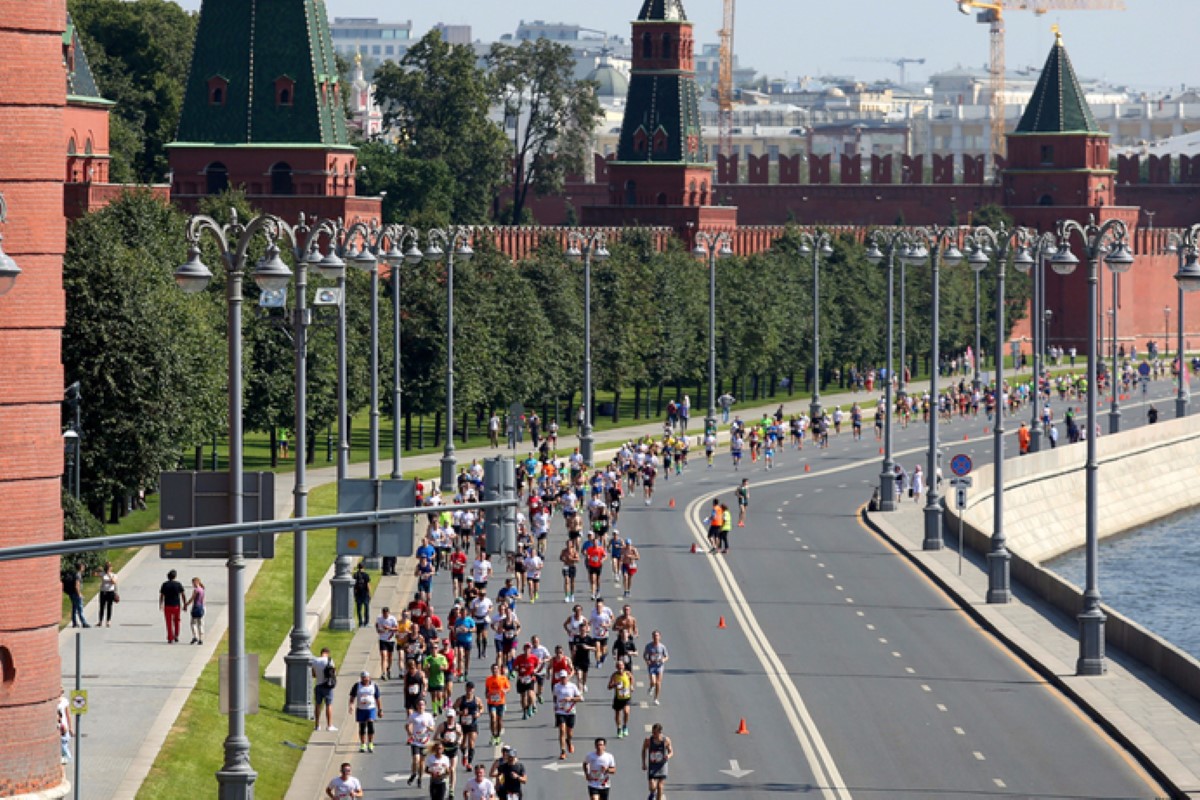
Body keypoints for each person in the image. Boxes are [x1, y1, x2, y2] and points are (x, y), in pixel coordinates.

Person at [407, 697, 437, 787]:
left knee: (422, 762)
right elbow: (408, 725)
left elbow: (433, 729)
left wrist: (427, 726)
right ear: (416, 706)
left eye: (422, 705)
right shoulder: (413, 715)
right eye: (419, 705)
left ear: (425, 706)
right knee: (416, 759)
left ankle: (420, 778)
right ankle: (413, 774)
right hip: (416, 741)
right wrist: (410, 734)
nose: (421, 706)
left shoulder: (428, 716)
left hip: (425, 742)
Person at [349, 671, 381, 753]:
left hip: (371, 708)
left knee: (370, 724)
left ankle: (370, 743)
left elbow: (377, 698)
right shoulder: (357, 686)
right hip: (361, 709)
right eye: (363, 678)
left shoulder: (373, 686)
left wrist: (380, 709)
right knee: (362, 727)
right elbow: (352, 697)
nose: (365, 679)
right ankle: (363, 744)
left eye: (366, 677)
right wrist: (351, 706)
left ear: (369, 678)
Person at [454, 681, 483, 771]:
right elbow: (453, 709)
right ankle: (465, 754)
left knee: (471, 743)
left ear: (473, 690)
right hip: (463, 724)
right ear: (465, 689)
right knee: (462, 744)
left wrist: (479, 713)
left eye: (471, 688)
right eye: (468, 688)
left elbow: (481, 707)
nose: (469, 690)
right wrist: (461, 713)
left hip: (472, 724)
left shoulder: (476, 699)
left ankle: (469, 763)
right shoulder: (460, 699)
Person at [553, 672, 582, 759]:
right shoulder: (556, 686)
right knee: (562, 730)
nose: (563, 679)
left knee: (569, 732)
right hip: (560, 711)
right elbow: (555, 697)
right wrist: (555, 705)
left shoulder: (572, 686)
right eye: (561, 677)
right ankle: (563, 751)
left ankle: (569, 741)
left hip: (570, 711)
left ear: (568, 678)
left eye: (564, 677)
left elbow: (580, 698)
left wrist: (571, 699)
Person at [642, 723, 674, 800]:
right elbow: (643, 750)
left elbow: (671, 752)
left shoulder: (666, 740)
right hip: (652, 766)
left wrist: (668, 756)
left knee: (660, 786)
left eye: (655, 733)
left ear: (660, 732)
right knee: (652, 787)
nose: (653, 734)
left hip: (662, 766)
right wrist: (644, 763)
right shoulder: (648, 740)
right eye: (652, 732)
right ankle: (653, 793)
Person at [311, 646, 339, 732]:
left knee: (318, 705)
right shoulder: (329, 661)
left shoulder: (315, 661)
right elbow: (333, 673)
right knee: (328, 705)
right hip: (327, 686)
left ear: (321, 653)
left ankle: (317, 725)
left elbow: (314, 675)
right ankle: (329, 725)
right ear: (328, 653)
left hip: (318, 685)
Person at [485, 663, 511, 747]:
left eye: (496, 669)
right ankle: (493, 735)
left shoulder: (503, 678)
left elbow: (508, 688)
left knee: (499, 720)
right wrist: (487, 694)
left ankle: (498, 736)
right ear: (491, 670)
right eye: (493, 669)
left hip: (501, 702)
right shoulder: (488, 679)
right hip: (491, 703)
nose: (494, 671)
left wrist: (505, 691)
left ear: (498, 670)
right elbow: (486, 691)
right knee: (493, 718)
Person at [607, 660, 633, 738]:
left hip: (627, 697)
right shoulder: (614, 675)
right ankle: (619, 728)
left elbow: (631, 679)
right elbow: (609, 686)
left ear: (624, 666)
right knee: (618, 714)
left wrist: (631, 686)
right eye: (618, 666)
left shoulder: (628, 674)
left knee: (626, 712)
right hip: (618, 698)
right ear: (616, 667)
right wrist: (614, 684)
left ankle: (625, 726)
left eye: (621, 665)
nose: (620, 667)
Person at [642, 630, 669, 705]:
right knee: (653, 682)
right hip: (652, 666)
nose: (655, 637)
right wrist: (647, 660)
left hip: (659, 666)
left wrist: (663, 660)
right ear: (652, 637)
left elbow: (666, 656)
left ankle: (656, 698)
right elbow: (644, 655)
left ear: (660, 637)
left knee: (658, 683)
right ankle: (651, 687)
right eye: (654, 636)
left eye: (657, 636)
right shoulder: (649, 646)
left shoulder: (662, 647)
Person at [159, 569, 185, 643]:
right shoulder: (178, 584)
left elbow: (162, 595)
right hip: (176, 605)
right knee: (177, 620)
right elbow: (182, 594)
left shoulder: (165, 584)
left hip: (167, 606)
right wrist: (185, 604)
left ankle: (170, 637)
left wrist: (160, 604)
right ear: (175, 576)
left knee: (168, 622)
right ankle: (176, 635)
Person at [63, 561, 88, 628]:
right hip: (76, 594)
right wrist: (79, 594)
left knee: (74, 608)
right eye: (83, 566)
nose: (84, 567)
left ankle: (74, 623)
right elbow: (77, 586)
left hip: (72, 593)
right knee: (80, 608)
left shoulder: (75, 574)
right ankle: (84, 623)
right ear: (80, 567)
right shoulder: (78, 575)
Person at [376, 606, 399, 679]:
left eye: (386, 614)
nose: (385, 615)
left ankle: (388, 669)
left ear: (388, 613)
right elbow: (376, 625)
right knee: (383, 655)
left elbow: (396, 629)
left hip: (390, 639)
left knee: (390, 657)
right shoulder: (379, 618)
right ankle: (383, 673)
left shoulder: (392, 619)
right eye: (383, 614)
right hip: (382, 639)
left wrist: (389, 628)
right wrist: (378, 630)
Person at [183, 576, 206, 645]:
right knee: (201, 623)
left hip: (196, 607)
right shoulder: (202, 590)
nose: (192, 584)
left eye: (193, 583)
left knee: (193, 623)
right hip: (202, 607)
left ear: (196, 582)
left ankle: (195, 636)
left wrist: (186, 604)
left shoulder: (196, 590)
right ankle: (201, 638)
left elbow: (192, 599)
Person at [97, 561, 118, 627]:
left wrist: (109, 575)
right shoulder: (102, 574)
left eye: (109, 567)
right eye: (107, 567)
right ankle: (100, 621)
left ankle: (108, 621)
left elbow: (114, 582)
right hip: (103, 592)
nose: (108, 568)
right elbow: (94, 574)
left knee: (109, 606)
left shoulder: (114, 575)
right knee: (102, 607)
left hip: (110, 592)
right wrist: (97, 569)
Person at [560, 539, 580, 604]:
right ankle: (567, 596)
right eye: (567, 544)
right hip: (566, 566)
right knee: (566, 581)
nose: (568, 545)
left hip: (572, 566)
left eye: (570, 544)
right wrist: (563, 558)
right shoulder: (564, 551)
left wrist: (572, 559)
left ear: (571, 544)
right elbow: (560, 557)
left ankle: (572, 594)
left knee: (572, 582)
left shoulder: (574, 551)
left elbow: (578, 559)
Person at [57, 688, 72, 764]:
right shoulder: (54, 702)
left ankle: (66, 757)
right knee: (61, 743)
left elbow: (67, 715)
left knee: (64, 742)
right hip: (57, 726)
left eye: (61, 692)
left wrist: (70, 728)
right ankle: (66, 757)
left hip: (64, 726)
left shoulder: (64, 701)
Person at [353, 564, 371, 628]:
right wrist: (369, 593)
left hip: (358, 594)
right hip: (365, 594)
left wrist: (354, 594)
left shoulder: (355, 575)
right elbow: (368, 585)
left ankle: (360, 623)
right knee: (366, 609)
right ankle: (366, 622)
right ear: (363, 567)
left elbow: (354, 586)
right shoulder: (366, 575)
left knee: (359, 609)